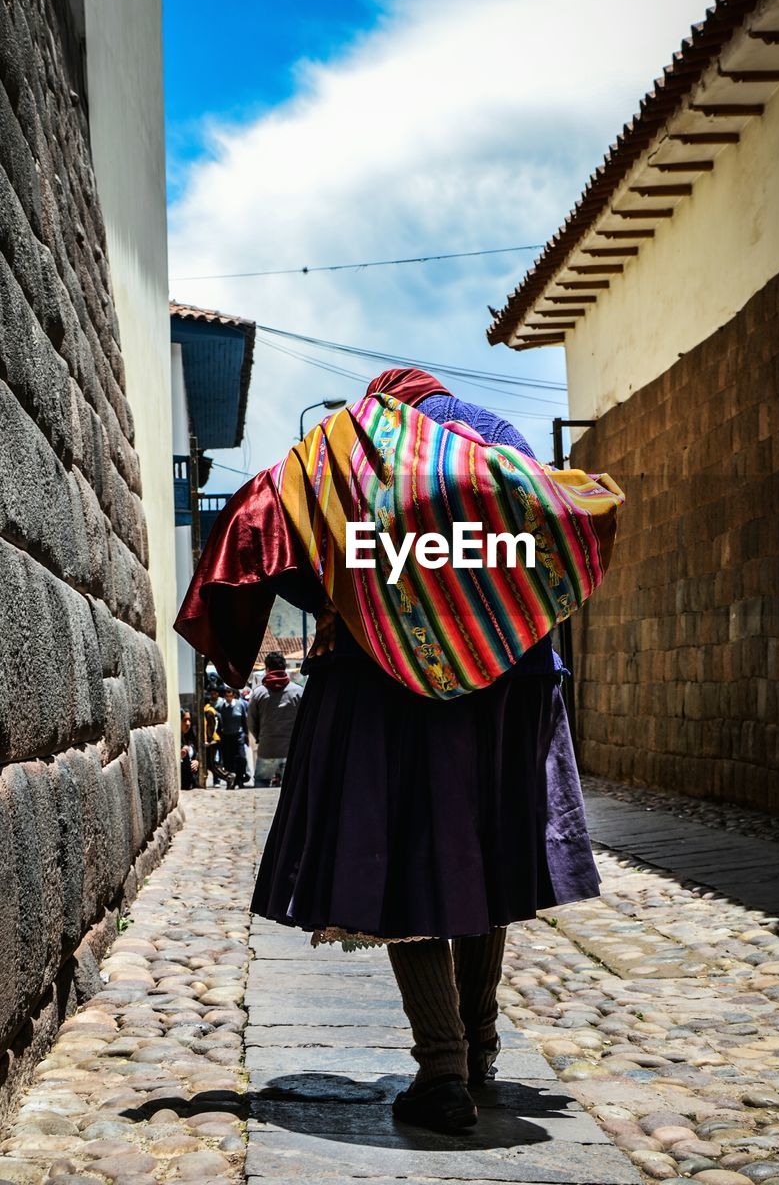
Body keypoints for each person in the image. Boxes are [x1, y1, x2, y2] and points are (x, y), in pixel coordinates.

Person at [175, 367, 623, 1133]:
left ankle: (443, 1070)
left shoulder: (342, 447)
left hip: (384, 683)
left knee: (408, 857)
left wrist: (368, 595)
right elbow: (554, 527)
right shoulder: (497, 437)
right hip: (513, 682)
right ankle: (478, 1047)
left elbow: (267, 542)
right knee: (481, 856)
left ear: (383, 400)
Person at [247, 651, 304, 788]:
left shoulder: (258, 693)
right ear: (284, 668)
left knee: (261, 781)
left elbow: (251, 722)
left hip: (267, 747)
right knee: (291, 786)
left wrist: (260, 737)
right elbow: (304, 721)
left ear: (267, 669)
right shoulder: (299, 691)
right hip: (291, 748)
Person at [202, 688, 235, 789]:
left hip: (212, 741)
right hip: (212, 741)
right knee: (211, 764)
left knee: (212, 764)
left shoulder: (209, 712)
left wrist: (209, 741)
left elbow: (211, 728)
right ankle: (228, 776)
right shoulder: (210, 710)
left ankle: (228, 777)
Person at [218, 685, 249, 786]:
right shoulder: (221, 707)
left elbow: (244, 720)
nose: (228, 698)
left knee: (241, 758)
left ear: (233, 695)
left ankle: (240, 779)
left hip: (239, 735)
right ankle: (230, 780)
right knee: (228, 760)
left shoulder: (240, 705)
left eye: (230, 695)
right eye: (226, 696)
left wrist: (246, 734)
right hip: (227, 736)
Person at [179, 709, 200, 790]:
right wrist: (180, 756)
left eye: (189, 720)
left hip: (192, 784)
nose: (188, 723)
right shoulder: (175, 740)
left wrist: (197, 762)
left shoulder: (190, 738)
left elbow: (195, 755)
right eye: (184, 720)